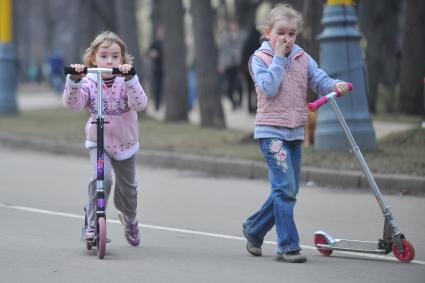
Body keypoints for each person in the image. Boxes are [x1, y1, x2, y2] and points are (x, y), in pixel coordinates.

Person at [242, 4, 350, 263]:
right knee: (285, 188)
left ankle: (254, 229)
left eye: (291, 34)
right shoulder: (260, 59)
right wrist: (279, 58)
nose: (286, 39)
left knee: (288, 189)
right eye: (281, 32)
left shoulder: (302, 57)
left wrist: (334, 85)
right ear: (268, 32)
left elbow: (319, 79)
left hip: (294, 131)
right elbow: (268, 88)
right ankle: (287, 246)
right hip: (271, 132)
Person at [63, 31, 149, 247]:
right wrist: (74, 80)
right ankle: (91, 223)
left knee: (128, 189)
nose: (109, 61)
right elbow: (73, 105)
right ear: (93, 58)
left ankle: (130, 219)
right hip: (98, 142)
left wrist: (131, 79)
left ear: (122, 59)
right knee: (102, 179)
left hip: (126, 143)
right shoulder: (89, 82)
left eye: (115, 56)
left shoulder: (125, 81)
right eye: (104, 56)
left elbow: (140, 105)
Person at [218, 18, 245, 110]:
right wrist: (221, 65)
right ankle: (233, 103)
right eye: (231, 24)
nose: (232, 26)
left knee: (239, 85)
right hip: (228, 65)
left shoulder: (242, 36)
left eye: (234, 24)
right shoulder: (225, 37)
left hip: (239, 65)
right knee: (229, 86)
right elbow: (222, 52)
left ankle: (240, 102)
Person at [241, 26, 262, 114]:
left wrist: (242, 68)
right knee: (257, 89)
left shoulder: (247, 41)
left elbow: (243, 55)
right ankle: (257, 106)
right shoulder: (259, 43)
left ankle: (249, 107)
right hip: (258, 68)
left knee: (249, 89)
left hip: (247, 69)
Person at [148, 25, 164, 111]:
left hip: (167, 71)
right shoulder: (155, 43)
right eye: (160, 31)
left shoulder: (168, 43)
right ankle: (157, 107)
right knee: (157, 88)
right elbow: (148, 53)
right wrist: (152, 54)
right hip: (158, 69)